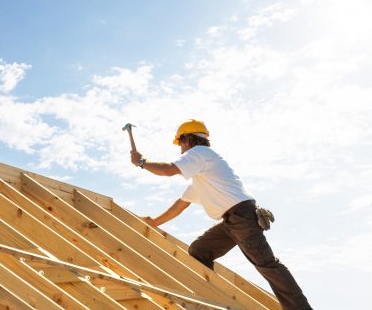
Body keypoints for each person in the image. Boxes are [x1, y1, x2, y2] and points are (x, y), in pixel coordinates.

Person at [130, 119, 312, 310]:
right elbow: (181, 205)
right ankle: (210, 298)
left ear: (187, 139)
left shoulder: (199, 154)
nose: (181, 151)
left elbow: (168, 170)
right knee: (199, 251)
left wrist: (142, 162)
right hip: (234, 220)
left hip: (241, 217)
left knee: (268, 265)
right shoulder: (203, 174)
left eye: (180, 144)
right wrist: (155, 222)